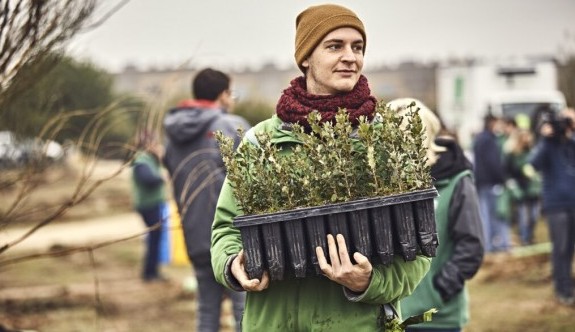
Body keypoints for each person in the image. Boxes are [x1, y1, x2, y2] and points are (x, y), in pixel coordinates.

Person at [211, 4, 431, 331]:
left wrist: (370, 281)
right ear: (305, 57)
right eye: (334, 46)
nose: (350, 57)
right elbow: (226, 229)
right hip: (273, 323)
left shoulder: (387, 142)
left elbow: (419, 248)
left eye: (357, 47)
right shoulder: (261, 141)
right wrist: (233, 264)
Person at [162, 68, 250, 331]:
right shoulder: (231, 126)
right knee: (244, 309)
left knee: (207, 310)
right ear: (222, 95)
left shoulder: (172, 134)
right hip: (234, 236)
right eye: (230, 93)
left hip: (195, 233)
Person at [388, 99, 484, 332]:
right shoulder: (384, 185)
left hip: (437, 319)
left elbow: (471, 245)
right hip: (390, 318)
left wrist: (439, 290)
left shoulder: (457, 181)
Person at [528, 107, 575, 306]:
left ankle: (568, 286)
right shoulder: (547, 146)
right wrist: (546, 138)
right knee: (561, 247)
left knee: (570, 248)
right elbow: (533, 163)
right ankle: (562, 289)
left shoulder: (571, 144)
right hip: (556, 205)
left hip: (572, 203)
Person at [131, 130, 168, 282]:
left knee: (155, 238)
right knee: (154, 238)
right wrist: (161, 177)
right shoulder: (141, 160)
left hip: (154, 204)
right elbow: (147, 179)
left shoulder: (151, 159)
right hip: (148, 205)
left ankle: (152, 271)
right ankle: (150, 274)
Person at [472, 113, 510, 252]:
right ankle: (493, 245)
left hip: (481, 182)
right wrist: (501, 178)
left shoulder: (479, 139)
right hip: (491, 183)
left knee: (484, 214)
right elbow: (493, 162)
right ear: (492, 123)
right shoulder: (489, 140)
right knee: (492, 215)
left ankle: (487, 245)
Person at [503, 128, 541, 245]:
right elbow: (506, 172)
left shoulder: (533, 152)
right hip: (521, 189)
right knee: (524, 217)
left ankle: (530, 236)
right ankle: (525, 239)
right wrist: (513, 187)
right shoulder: (512, 155)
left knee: (534, 216)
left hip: (533, 190)